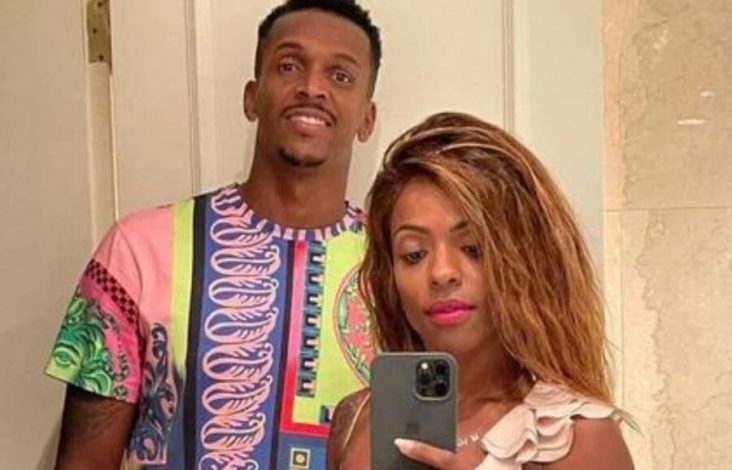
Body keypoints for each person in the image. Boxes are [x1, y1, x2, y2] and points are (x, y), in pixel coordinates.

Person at [44, 1, 381, 468]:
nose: (312, 87)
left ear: (367, 118)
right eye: (289, 66)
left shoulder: (395, 270)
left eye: (340, 75)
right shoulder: (138, 252)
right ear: (251, 97)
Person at [327, 112, 635, 469]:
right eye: (413, 254)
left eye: (473, 248)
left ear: (526, 257)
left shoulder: (576, 437)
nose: (442, 273)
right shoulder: (357, 420)